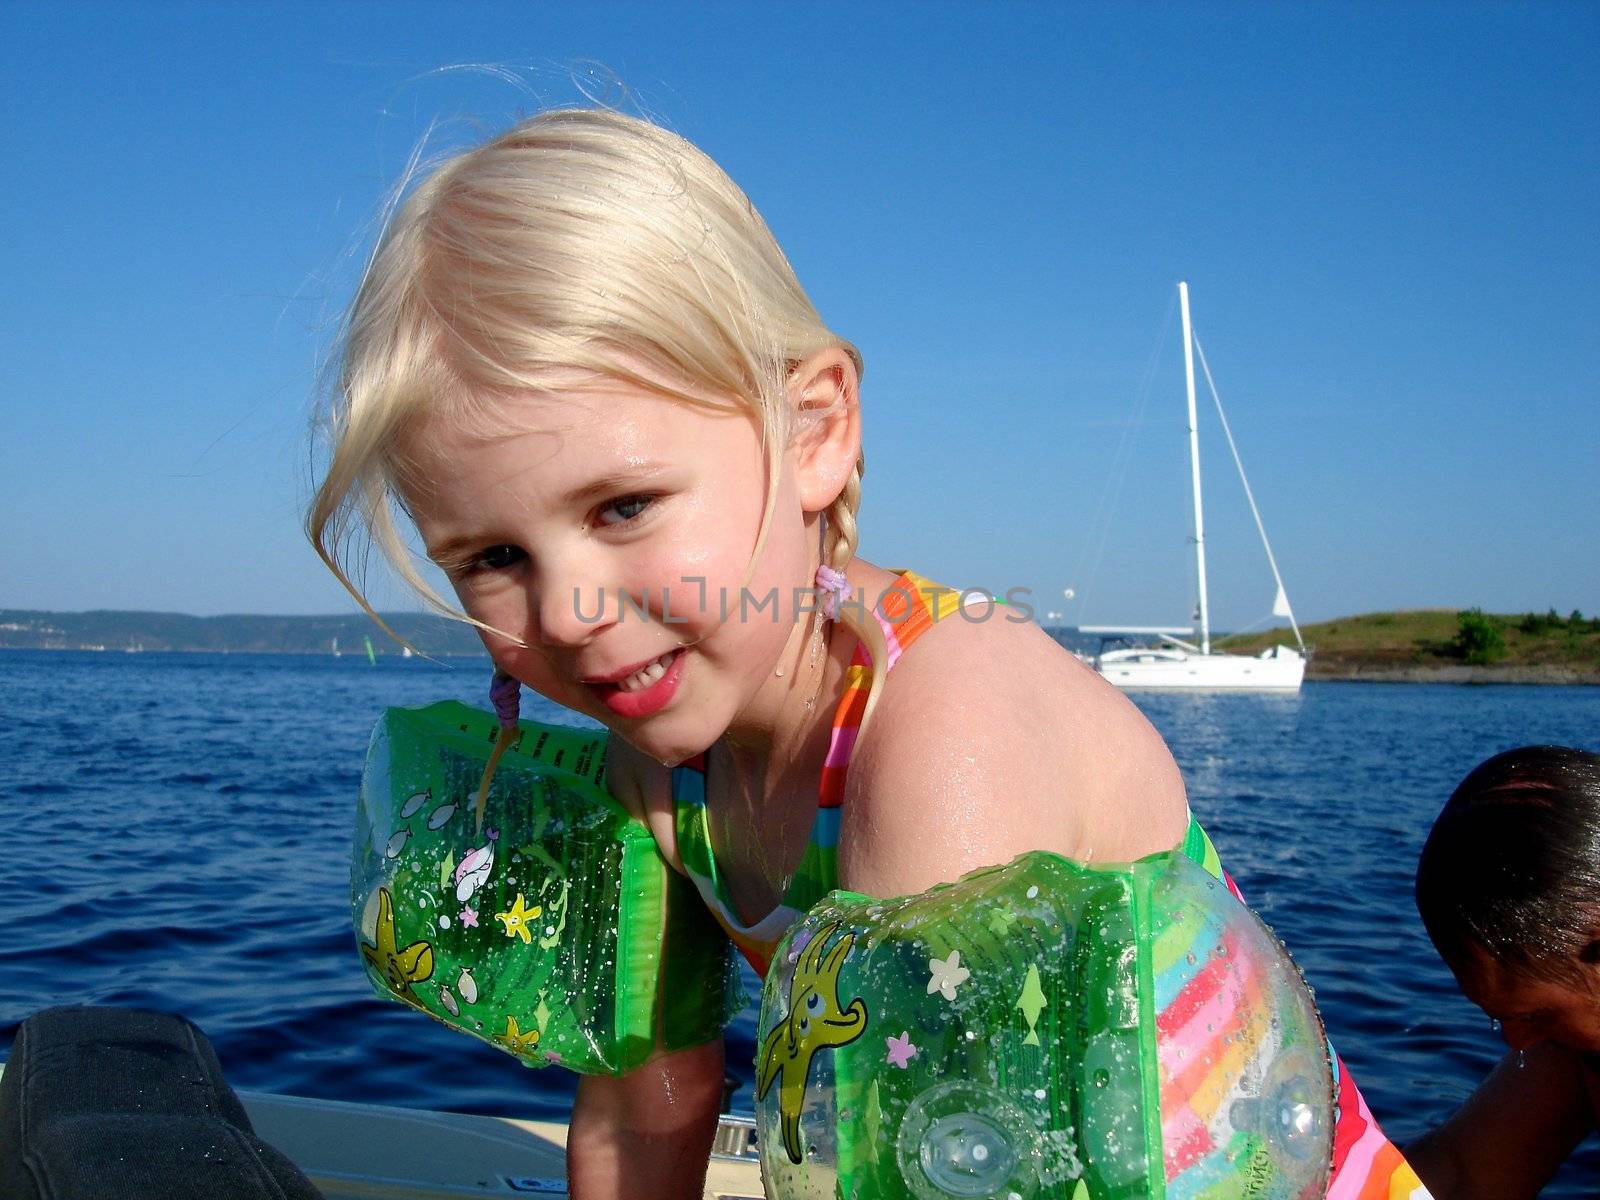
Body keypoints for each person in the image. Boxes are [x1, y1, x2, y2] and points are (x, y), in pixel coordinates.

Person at [306, 108, 1410, 1198]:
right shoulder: (657, 758)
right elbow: (648, 1108)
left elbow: (965, 1166)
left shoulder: (940, 733)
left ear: (815, 431)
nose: (570, 613)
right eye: (493, 554)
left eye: (626, 505)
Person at [1408, 745, 1600, 1198]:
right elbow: (1463, 1174)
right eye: (1500, 1017)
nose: (1515, 1042)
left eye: (1536, 1015)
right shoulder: (1578, 1045)